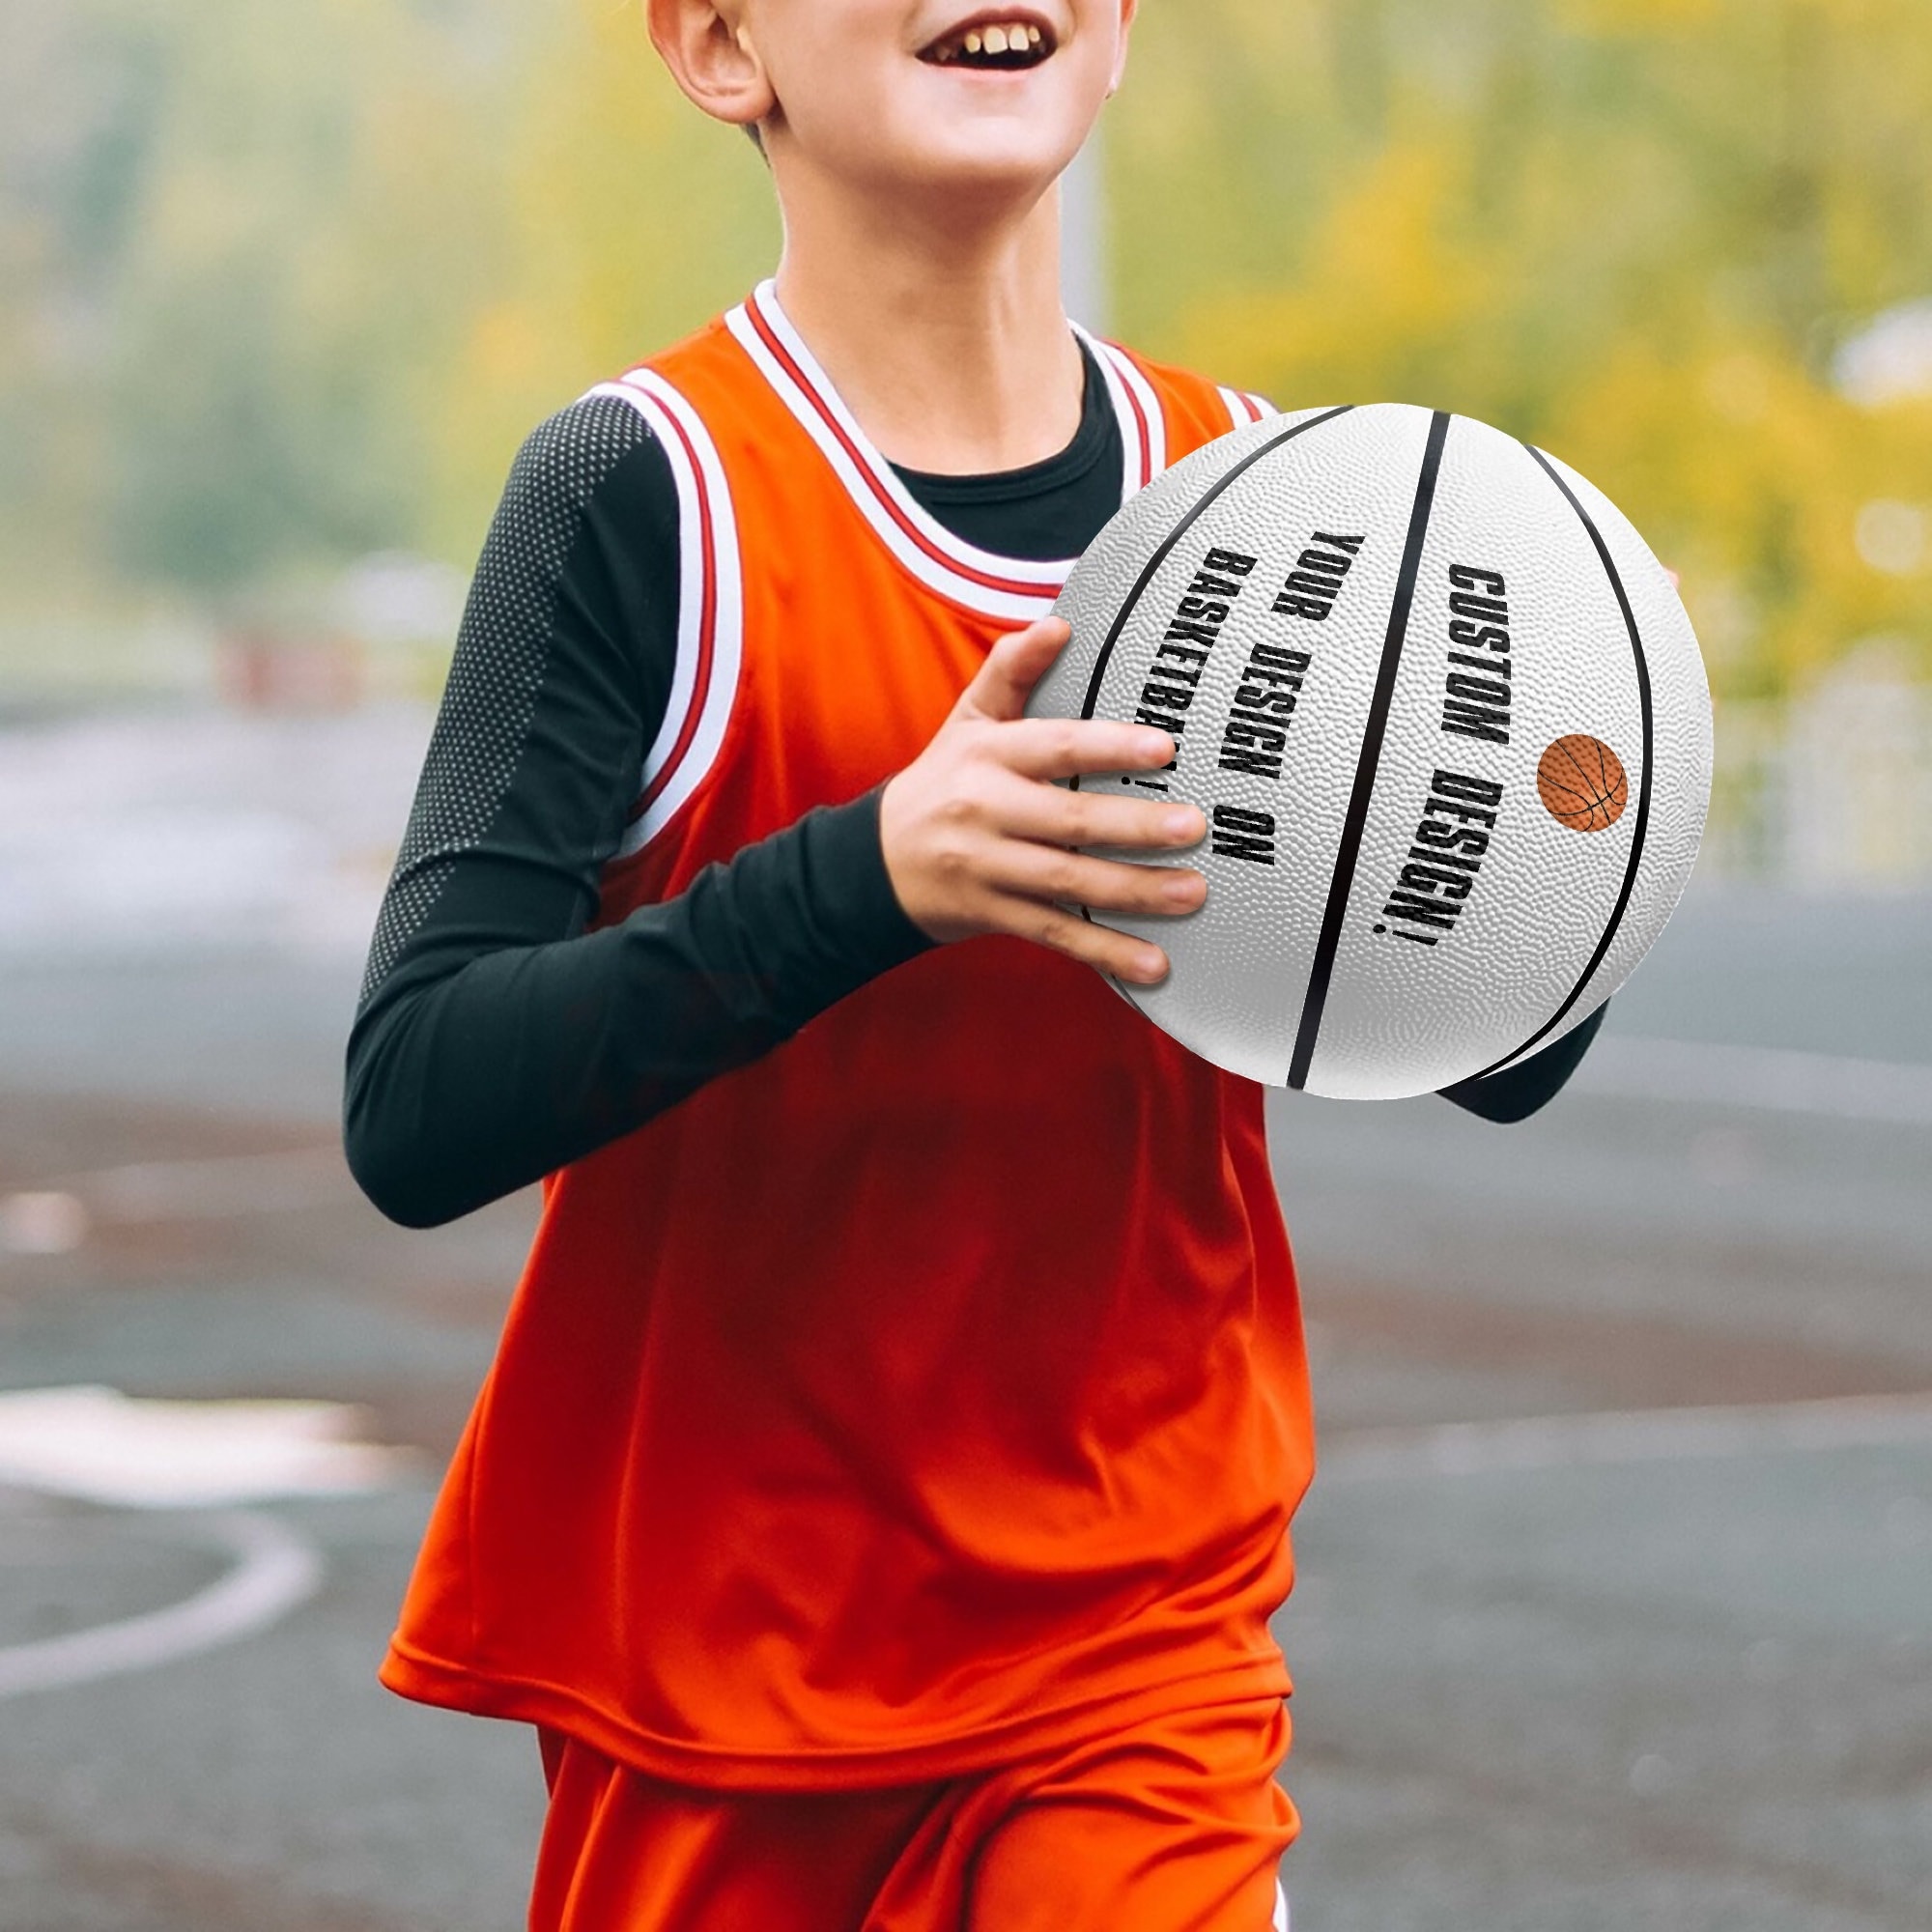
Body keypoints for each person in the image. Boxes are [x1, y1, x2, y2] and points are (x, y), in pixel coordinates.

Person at [344, 3, 1603, 1924]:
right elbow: (416, 1097)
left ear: (1112, 37)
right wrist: (867, 875)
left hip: (1135, 1633)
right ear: (714, 48)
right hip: (723, 1660)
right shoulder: (641, 490)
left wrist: (1545, 840)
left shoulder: (1275, 510)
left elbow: (1499, 1051)